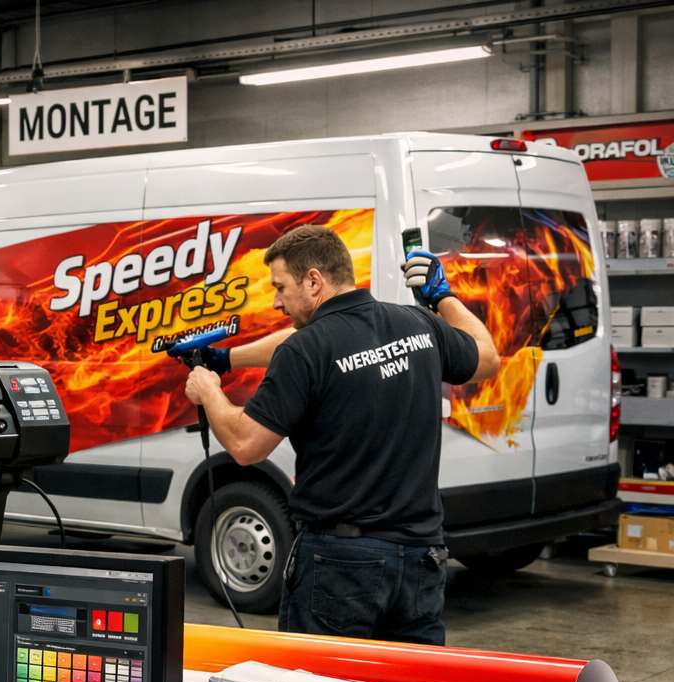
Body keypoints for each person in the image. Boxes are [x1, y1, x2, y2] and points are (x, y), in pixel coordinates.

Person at [177, 225, 500, 643]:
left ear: (314, 281)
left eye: (280, 287)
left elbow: (245, 445)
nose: (276, 301)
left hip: (340, 564)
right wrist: (443, 297)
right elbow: (487, 357)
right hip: (422, 560)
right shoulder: (418, 323)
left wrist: (209, 390)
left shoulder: (304, 351)